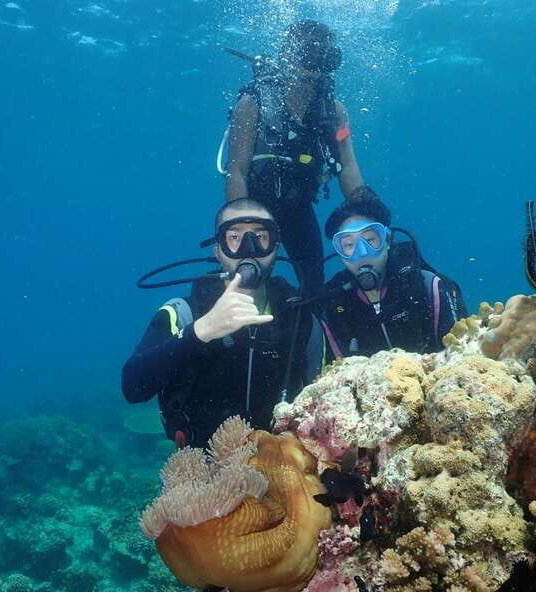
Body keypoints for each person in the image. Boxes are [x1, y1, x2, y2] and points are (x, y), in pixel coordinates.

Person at [121, 198, 324, 447]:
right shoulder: (183, 312)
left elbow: (323, 400)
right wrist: (201, 331)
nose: (249, 249)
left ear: (275, 248)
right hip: (203, 471)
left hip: (287, 469)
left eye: (260, 236)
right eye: (235, 237)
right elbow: (132, 387)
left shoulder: (301, 320)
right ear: (218, 250)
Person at [225, 19, 366, 296]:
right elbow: (237, 171)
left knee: (314, 286)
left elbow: (347, 165)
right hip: (254, 208)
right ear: (289, 55)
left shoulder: (335, 112)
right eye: (307, 56)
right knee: (246, 281)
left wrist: (367, 211)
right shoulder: (253, 103)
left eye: (323, 59)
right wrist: (239, 229)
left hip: (298, 208)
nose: (312, 70)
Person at [318, 191, 468, 358]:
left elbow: (461, 355)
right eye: (348, 245)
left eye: (369, 240)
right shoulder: (334, 308)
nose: (361, 253)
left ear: (387, 241)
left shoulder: (428, 287)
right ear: (340, 253)